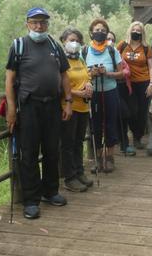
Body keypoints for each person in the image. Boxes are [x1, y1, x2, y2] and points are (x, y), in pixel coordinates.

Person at [5, 7, 72, 219]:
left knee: (53, 150)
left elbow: (64, 75)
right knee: (30, 153)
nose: (39, 26)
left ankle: (50, 191)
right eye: (34, 22)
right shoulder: (19, 45)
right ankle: (31, 201)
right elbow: (9, 80)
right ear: (27, 23)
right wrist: (12, 109)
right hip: (29, 107)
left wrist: (68, 101)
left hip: (52, 105)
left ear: (47, 24)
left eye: (43, 22)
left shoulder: (55, 44)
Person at [85, 18, 123, 173]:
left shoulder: (113, 51)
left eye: (102, 30)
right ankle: (98, 158)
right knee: (95, 126)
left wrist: (107, 73)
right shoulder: (84, 51)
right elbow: (80, 74)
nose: (99, 33)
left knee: (110, 124)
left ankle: (109, 158)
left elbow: (121, 74)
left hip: (110, 92)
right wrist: (90, 74)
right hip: (93, 94)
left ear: (107, 33)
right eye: (96, 30)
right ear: (91, 32)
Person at [59, 27, 94, 192]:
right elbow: (59, 85)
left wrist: (89, 86)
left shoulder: (80, 59)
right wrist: (77, 92)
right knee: (67, 143)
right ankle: (69, 177)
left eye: (77, 41)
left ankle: (79, 172)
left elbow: (86, 77)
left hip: (83, 107)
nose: (74, 43)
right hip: (68, 107)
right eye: (71, 40)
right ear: (63, 42)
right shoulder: (60, 60)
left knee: (79, 141)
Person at [116, 21, 152, 153]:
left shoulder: (146, 47)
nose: (136, 32)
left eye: (139, 31)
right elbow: (114, 59)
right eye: (134, 30)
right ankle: (127, 136)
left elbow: (151, 66)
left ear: (142, 33)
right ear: (130, 31)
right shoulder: (122, 45)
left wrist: (151, 84)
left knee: (142, 111)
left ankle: (138, 138)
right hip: (126, 83)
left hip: (143, 82)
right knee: (131, 111)